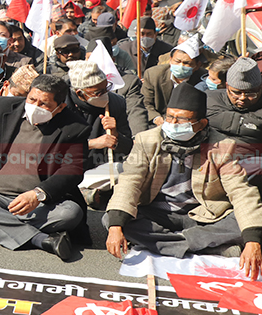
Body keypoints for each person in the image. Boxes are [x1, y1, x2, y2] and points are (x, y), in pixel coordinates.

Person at [105, 83, 262, 277]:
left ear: (201, 124)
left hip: (202, 215)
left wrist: (253, 241)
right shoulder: (147, 140)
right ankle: (205, 247)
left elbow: (240, 191)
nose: (173, 123)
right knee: (113, 219)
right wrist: (116, 227)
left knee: (243, 224)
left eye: (181, 119)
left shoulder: (221, 146)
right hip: (157, 212)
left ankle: (169, 244)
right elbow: (130, 181)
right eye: (170, 116)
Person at [0, 75, 90, 261]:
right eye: (32, 99)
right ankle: (40, 239)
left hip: (40, 203)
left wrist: (38, 194)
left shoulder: (75, 127)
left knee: (70, 213)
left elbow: (72, 169)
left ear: (60, 107)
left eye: (44, 104)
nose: (35, 106)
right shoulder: (2, 107)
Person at [66, 60, 140, 169]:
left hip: (102, 168)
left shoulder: (115, 103)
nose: (105, 95)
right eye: (98, 93)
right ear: (80, 93)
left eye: (107, 88)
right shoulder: (61, 106)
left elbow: (128, 148)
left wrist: (115, 134)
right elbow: (53, 148)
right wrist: (91, 144)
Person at [143, 37, 205, 126]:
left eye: (186, 63)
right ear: (171, 59)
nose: (181, 66)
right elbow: (146, 103)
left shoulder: (203, 78)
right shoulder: (154, 75)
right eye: (177, 61)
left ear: (197, 65)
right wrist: (156, 118)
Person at [205, 57, 262, 144]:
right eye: (236, 93)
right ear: (227, 86)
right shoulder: (209, 100)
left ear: (260, 88)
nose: (242, 98)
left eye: (250, 94)